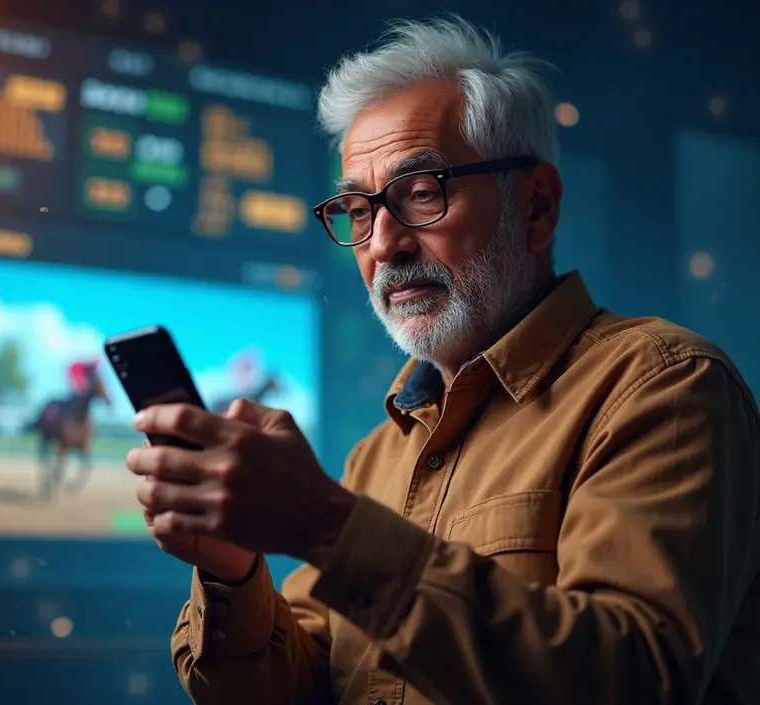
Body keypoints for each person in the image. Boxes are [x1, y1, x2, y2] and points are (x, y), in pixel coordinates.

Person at [124, 15, 760, 705]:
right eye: (356, 208)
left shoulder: (662, 386)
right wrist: (231, 571)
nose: (383, 244)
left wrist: (323, 523)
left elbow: (631, 678)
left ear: (537, 207)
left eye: (421, 191)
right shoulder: (375, 457)